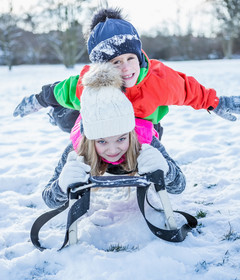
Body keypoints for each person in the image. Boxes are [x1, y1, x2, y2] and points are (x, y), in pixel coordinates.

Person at [13, 6, 240, 137]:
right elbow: (60, 91)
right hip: (104, 130)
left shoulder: (158, 79)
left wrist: (218, 102)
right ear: (102, 67)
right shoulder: (90, 84)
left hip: (144, 127)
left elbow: (189, 90)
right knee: (70, 115)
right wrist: (38, 100)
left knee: (145, 139)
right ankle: (60, 123)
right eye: (115, 63)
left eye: (130, 58)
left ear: (139, 56)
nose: (126, 67)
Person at [43, 62, 186, 209]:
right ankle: (54, 114)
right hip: (77, 118)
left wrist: (166, 170)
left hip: (137, 129)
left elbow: (179, 186)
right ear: (91, 141)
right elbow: (49, 199)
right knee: (66, 118)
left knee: (152, 123)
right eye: (102, 141)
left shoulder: (145, 139)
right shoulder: (79, 146)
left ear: (130, 134)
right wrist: (61, 186)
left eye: (121, 139)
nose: (112, 150)